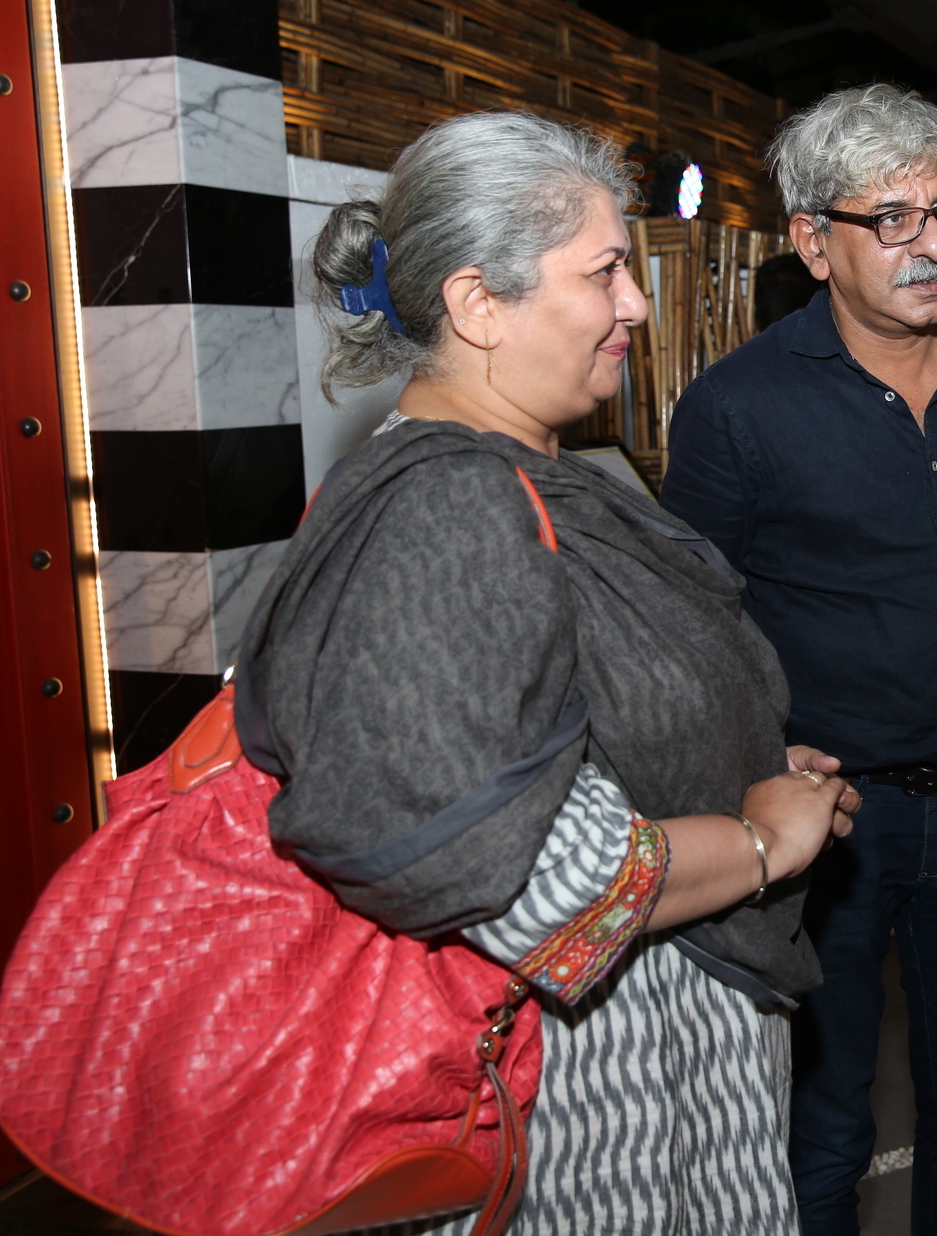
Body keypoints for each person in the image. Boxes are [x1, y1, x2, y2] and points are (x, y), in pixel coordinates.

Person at [239, 109, 859, 1235]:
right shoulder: (448, 507)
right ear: (480, 304)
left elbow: (572, 724)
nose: (634, 304)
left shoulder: (519, 477)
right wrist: (764, 841)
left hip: (649, 1056)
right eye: (607, 270)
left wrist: (742, 766)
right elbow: (492, 859)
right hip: (584, 1096)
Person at [660, 84, 937, 1236]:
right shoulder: (735, 407)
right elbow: (694, 621)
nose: (931, 243)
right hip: (826, 819)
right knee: (820, 1124)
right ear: (811, 242)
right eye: (892, 219)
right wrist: (762, 756)